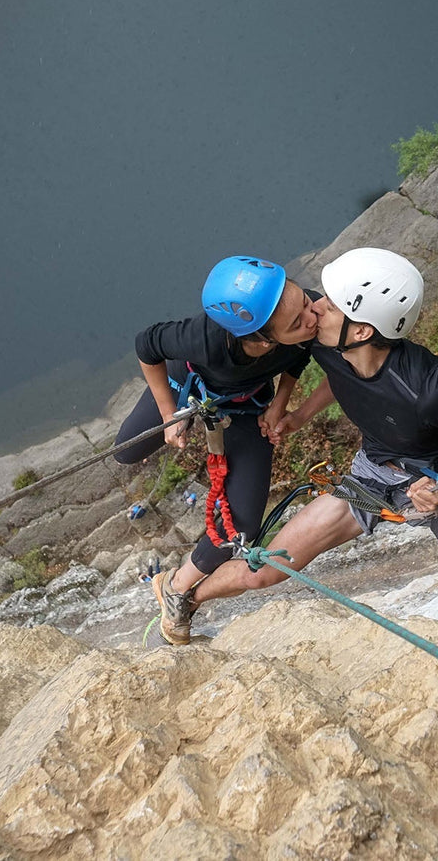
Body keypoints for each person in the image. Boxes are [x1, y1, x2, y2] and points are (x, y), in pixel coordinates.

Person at [158, 247, 438, 640]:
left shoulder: (431, 389)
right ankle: (183, 595)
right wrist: (299, 415)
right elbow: (342, 374)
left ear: (362, 331)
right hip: (370, 479)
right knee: (265, 571)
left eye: (331, 306)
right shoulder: (328, 343)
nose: (315, 308)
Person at [112, 256, 319, 644]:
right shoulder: (201, 337)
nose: (312, 316)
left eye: (305, 303)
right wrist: (169, 413)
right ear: (260, 339)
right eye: (298, 321)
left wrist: (280, 404)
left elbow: (302, 354)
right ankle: (175, 413)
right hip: (187, 383)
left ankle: (175, 587)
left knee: (240, 528)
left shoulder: (302, 313)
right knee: (126, 451)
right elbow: (147, 344)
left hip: (247, 404)